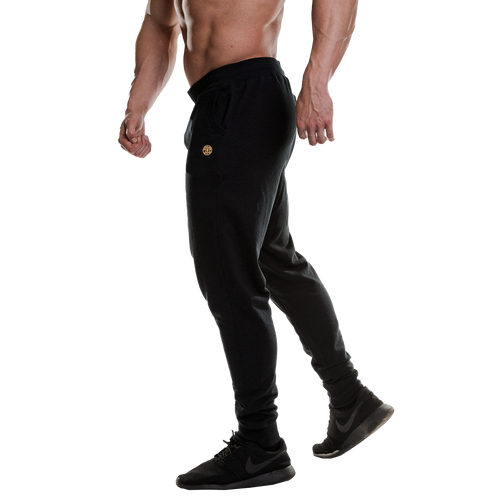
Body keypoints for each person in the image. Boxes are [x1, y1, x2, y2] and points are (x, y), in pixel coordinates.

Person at [117, 0, 396, 492]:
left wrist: (318, 80)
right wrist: (137, 106)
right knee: (273, 259)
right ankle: (351, 398)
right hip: (218, 103)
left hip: (246, 97)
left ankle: (260, 442)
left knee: (228, 274)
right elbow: (160, 21)